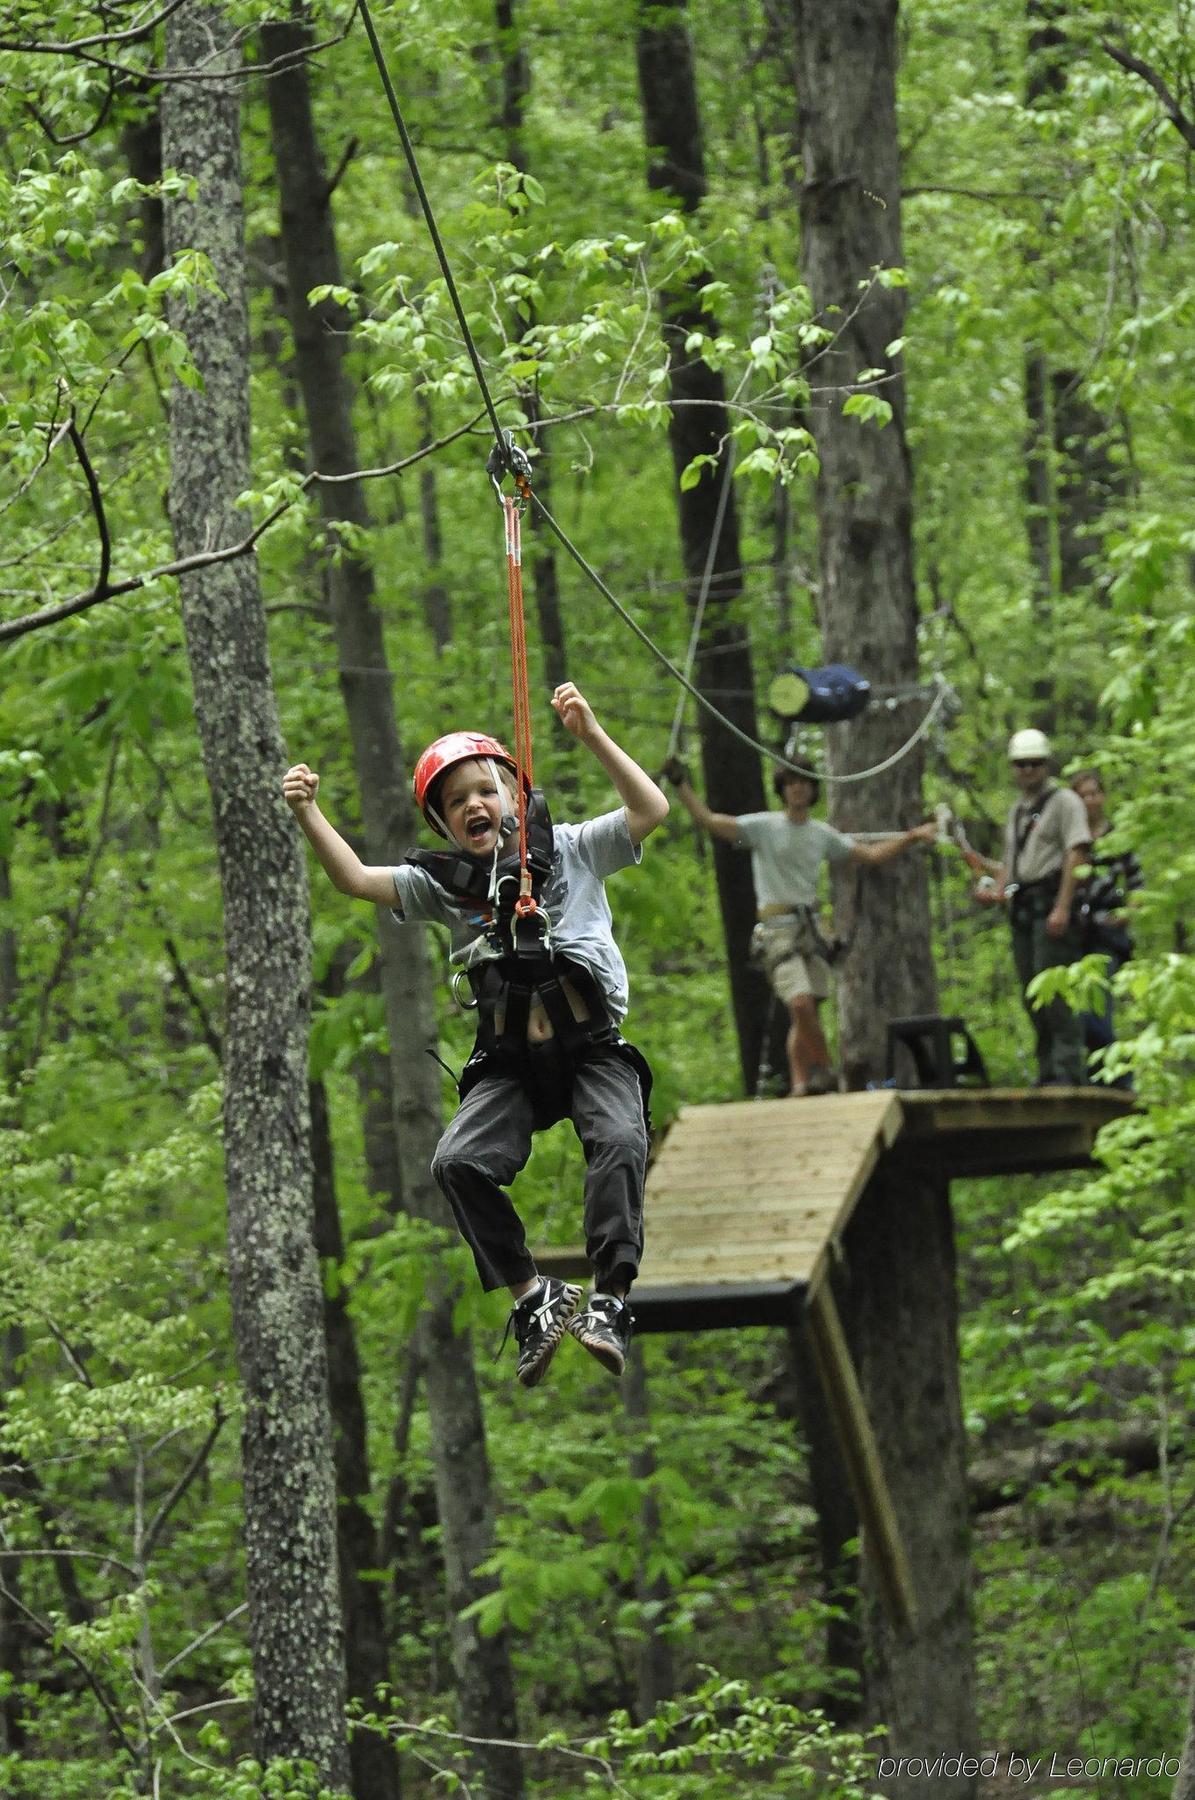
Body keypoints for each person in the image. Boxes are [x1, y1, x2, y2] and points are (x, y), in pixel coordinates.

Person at [283, 682, 669, 1388]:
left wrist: (590, 735)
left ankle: (610, 1297)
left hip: (591, 1047)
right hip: (508, 1062)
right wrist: (309, 813)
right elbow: (356, 880)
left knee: (618, 1141)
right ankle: (533, 1297)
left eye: (484, 791)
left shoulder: (575, 849)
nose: (473, 806)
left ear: (515, 798)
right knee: (456, 1162)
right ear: (442, 824)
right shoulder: (447, 888)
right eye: (454, 802)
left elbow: (651, 809)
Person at [664, 758, 937, 1096]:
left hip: (812, 932)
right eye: (792, 782)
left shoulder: (821, 834)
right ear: (783, 789)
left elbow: (871, 855)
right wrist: (681, 784)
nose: (798, 788)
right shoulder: (764, 828)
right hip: (777, 932)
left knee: (804, 1015)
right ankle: (826, 1071)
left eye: (804, 783)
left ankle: (800, 1084)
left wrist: (912, 836)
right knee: (800, 1003)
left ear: (812, 790)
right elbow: (708, 821)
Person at [970, 728, 1091, 1085]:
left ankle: (1069, 1072)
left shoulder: (1065, 802)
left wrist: (1063, 907)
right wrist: (997, 891)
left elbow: (1076, 851)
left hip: (1052, 902)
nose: (1028, 771)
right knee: (1032, 992)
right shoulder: (1016, 812)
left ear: (1046, 764)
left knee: (1055, 990)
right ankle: (1048, 1070)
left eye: (1034, 764)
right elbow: (1013, 865)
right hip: (1023, 907)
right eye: (1021, 765)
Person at [1069, 768, 1142, 1075]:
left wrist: (1127, 914)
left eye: (1093, 794)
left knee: (1098, 1010)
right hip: (1075, 932)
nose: (1089, 801)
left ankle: (1117, 1078)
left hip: (1107, 933)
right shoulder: (1072, 839)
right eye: (1082, 795)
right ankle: (1101, 1073)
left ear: (1103, 797)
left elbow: (1137, 882)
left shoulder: (1117, 837)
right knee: (1077, 1011)